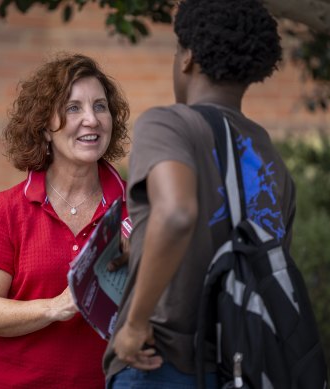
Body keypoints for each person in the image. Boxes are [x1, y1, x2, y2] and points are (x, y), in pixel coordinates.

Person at [104, 0, 292, 387]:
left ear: (187, 57)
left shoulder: (169, 124)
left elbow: (176, 215)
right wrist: (143, 248)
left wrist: (135, 323)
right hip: (239, 368)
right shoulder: (269, 156)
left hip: (159, 364)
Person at [0, 53, 131, 388]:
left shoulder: (137, 208)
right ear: (44, 127)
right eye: (74, 108)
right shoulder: (8, 209)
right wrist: (54, 308)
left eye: (100, 106)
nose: (92, 119)